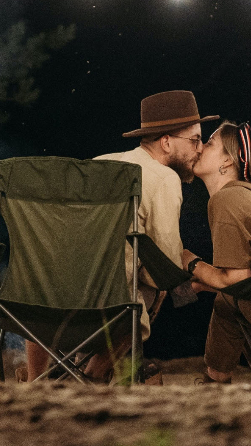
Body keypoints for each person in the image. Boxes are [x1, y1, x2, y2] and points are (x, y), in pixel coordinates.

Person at [22, 90, 218, 383]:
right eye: (195, 139)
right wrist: (195, 281)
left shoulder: (99, 162)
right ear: (166, 142)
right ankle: (92, 375)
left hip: (47, 300)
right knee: (157, 288)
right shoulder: (164, 179)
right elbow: (163, 268)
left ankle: (36, 380)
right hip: (107, 310)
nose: (200, 149)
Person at [182, 121, 251, 384]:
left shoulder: (227, 200)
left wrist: (188, 261)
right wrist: (203, 283)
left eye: (209, 143)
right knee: (231, 304)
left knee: (229, 302)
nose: (199, 148)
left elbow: (235, 280)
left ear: (227, 162)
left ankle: (215, 382)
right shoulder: (245, 197)